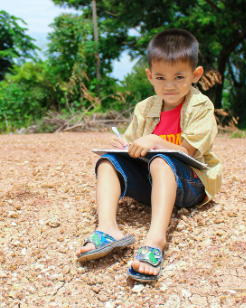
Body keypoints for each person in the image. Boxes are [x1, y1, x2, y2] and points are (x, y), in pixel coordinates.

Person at [76, 29, 222, 282]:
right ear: (149, 76)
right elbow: (134, 144)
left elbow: (188, 152)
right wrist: (125, 146)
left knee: (161, 159)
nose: (169, 85)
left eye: (179, 77)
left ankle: (156, 239)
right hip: (154, 182)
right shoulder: (144, 108)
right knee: (108, 162)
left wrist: (155, 140)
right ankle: (108, 228)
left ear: (195, 75)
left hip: (190, 184)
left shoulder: (201, 106)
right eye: (160, 77)